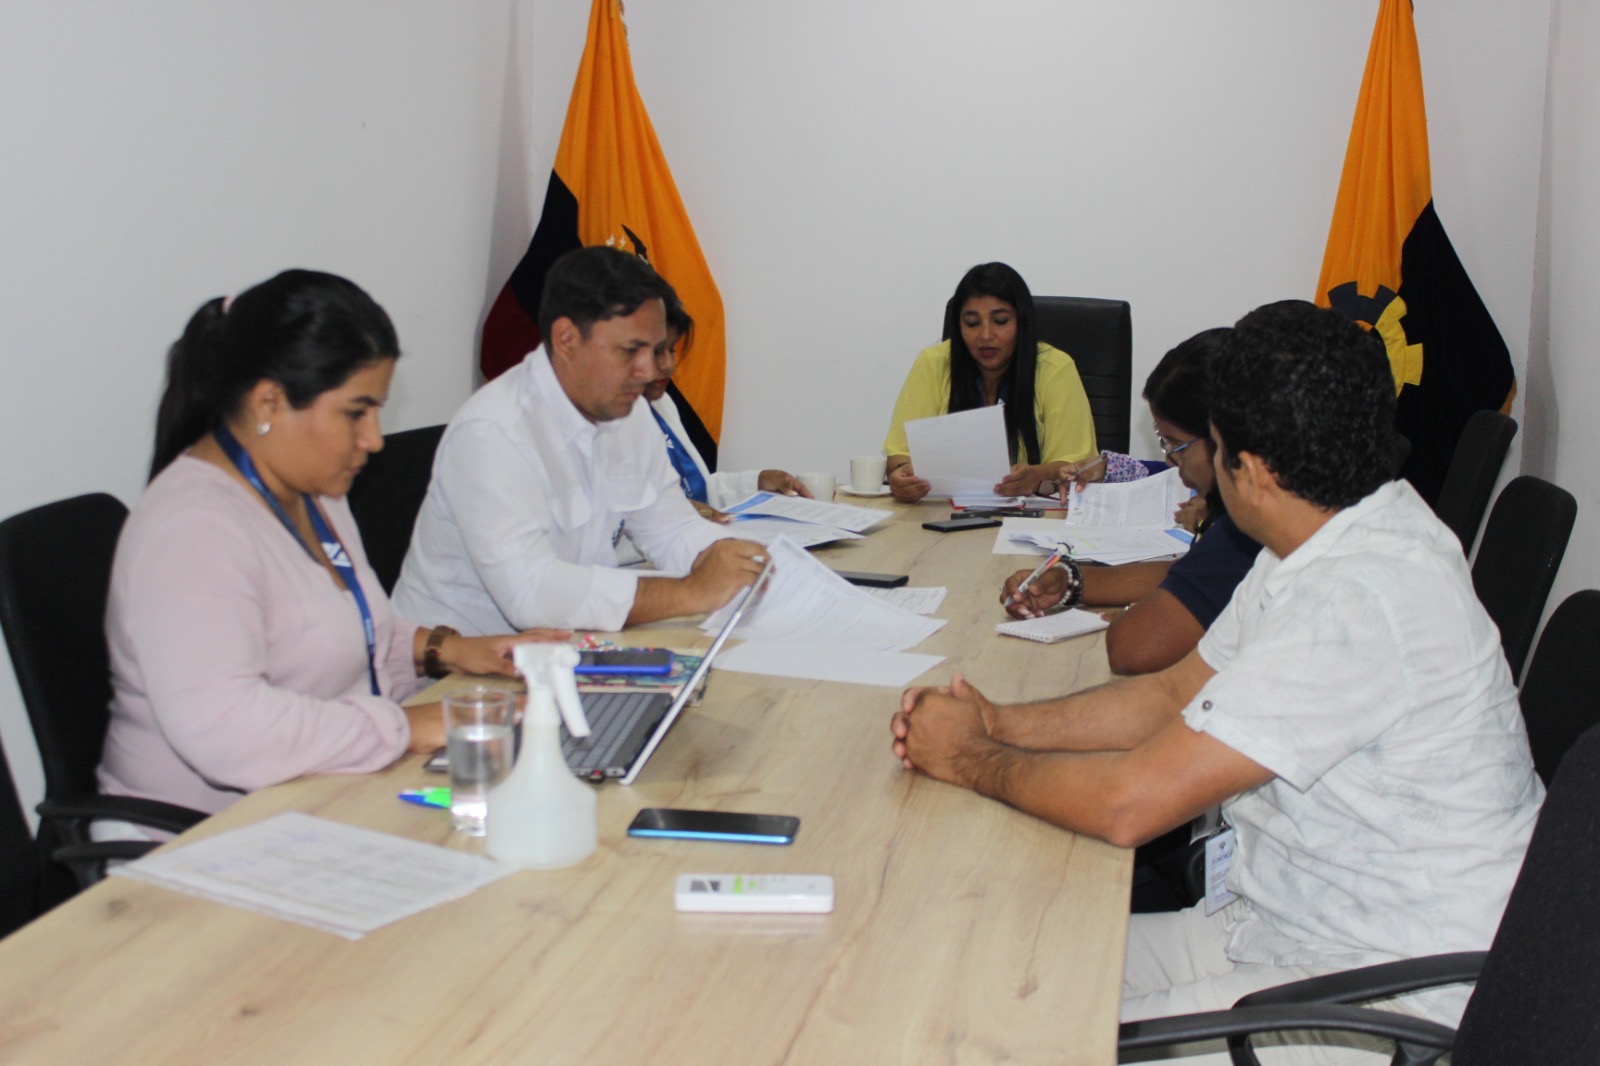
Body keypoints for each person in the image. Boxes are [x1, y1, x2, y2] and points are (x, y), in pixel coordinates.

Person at [891, 300, 1542, 1064]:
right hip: (1281, 927)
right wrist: (998, 722)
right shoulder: (1325, 535)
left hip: (1384, 992)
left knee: (1016, 1041)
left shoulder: (1360, 598)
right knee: (983, 968)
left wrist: (970, 758)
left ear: (1252, 472)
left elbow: (1131, 804)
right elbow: (1170, 696)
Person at [98, 270, 562, 821]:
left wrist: (449, 649)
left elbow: (336, 633)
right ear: (269, 403)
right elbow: (230, 732)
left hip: (318, 799)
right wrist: (402, 727)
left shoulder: (311, 490)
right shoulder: (190, 529)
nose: (374, 439)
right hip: (201, 840)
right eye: (355, 412)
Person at [393, 246, 767, 634]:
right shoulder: (494, 432)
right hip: (458, 660)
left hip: (570, 643)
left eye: (656, 350)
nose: (649, 370)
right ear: (566, 339)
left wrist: (730, 558)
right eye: (630, 350)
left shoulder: (628, 410)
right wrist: (690, 592)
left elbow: (670, 528)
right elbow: (532, 595)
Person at [1000, 329, 1262, 675]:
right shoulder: (1234, 512)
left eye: (1176, 445)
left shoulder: (1250, 525)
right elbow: (1191, 573)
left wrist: (1134, 617)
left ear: (1223, 437)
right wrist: (1068, 580)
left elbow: (1132, 650)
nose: (1169, 459)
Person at [883, 262, 1097, 502]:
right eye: (972, 323)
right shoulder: (934, 364)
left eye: (1001, 321)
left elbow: (1076, 466)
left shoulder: (1055, 369)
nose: (985, 335)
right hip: (942, 513)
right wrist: (900, 477)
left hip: (1033, 515)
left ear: (1022, 322)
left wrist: (1036, 475)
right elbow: (899, 455)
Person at [647, 302, 810, 519]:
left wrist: (757, 482)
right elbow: (632, 516)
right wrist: (684, 512)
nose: (669, 364)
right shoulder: (608, 419)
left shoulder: (661, 402)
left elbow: (695, 488)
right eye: (657, 351)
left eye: (672, 349)